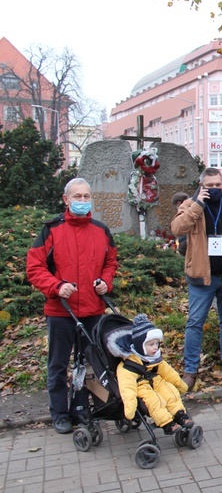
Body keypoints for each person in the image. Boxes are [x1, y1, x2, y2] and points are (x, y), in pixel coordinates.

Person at [26, 178, 118, 434]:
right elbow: (34, 267)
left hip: (92, 311)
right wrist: (56, 286)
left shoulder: (101, 230)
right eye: (77, 197)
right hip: (61, 312)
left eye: (86, 196)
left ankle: (81, 409)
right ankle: (59, 413)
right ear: (66, 200)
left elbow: (111, 263)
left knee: (89, 363)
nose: (82, 201)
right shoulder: (51, 230)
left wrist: (105, 283)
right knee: (58, 365)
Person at [171, 167, 222, 390]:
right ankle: (191, 369)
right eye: (210, 186)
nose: (214, 189)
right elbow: (177, 228)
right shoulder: (190, 204)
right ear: (201, 184)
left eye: (218, 185)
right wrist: (198, 204)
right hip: (202, 276)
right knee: (195, 323)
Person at [116, 315, 193, 435]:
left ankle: (180, 415)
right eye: (151, 344)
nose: (155, 348)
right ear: (140, 346)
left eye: (157, 344)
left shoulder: (154, 358)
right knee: (154, 400)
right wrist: (130, 408)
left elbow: (168, 372)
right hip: (141, 386)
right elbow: (127, 387)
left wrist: (180, 385)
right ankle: (167, 423)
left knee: (170, 392)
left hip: (155, 380)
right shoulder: (128, 365)